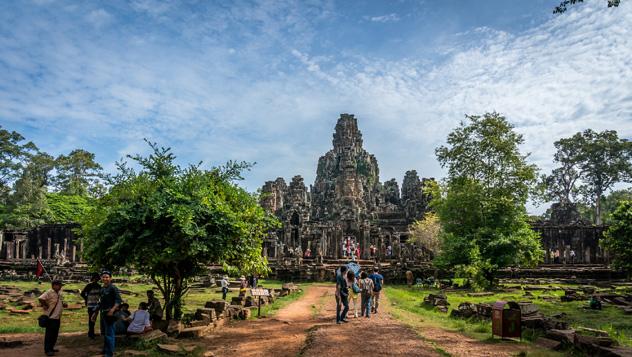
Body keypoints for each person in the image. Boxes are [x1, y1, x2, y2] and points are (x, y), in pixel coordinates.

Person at [92, 270, 122, 357]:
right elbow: (100, 303)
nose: (105, 278)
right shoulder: (102, 289)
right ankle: (105, 350)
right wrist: (95, 313)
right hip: (103, 313)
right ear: (101, 278)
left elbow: (118, 301)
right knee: (105, 333)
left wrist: (112, 310)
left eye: (107, 277)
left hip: (110, 314)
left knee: (110, 334)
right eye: (104, 277)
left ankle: (109, 353)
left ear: (110, 278)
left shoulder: (113, 288)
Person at [39, 280, 67, 356]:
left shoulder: (60, 293)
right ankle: (47, 350)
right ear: (54, 285)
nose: (61, 286)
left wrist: (64, 304)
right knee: (49, 335)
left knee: (55, 334)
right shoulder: (49, 292)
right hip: (51, 317)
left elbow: (61, 302)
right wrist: (44, 305)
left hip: (57, 317)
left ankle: (51, 348)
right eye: (59, 285)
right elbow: (41, 298)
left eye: (61, 285)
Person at [80, 272, 101, 339]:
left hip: (96, 305)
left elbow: (100, 295)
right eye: (95, 278)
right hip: (90, 305)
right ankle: (91, 333)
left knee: (94, 319)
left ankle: (91, 333)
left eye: (97, 278)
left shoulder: (99, 286)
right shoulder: (89, 285)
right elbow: (82, 293)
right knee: (91, 319)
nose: (96, 279)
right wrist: (87, 299)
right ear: (93, 279)